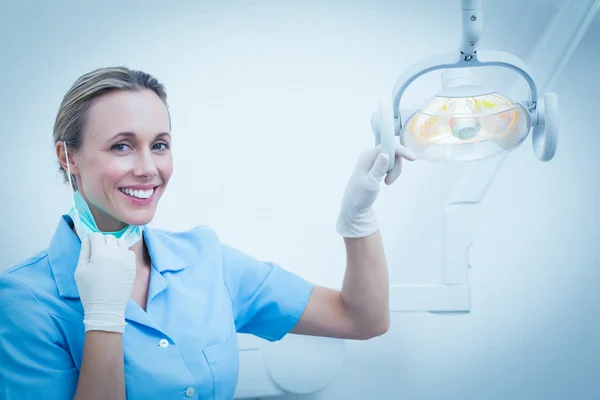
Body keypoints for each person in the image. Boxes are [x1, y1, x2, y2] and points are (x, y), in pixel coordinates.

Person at [0, 66, 416, 400]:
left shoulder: (205, 260)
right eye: (122, 146)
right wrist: (104, 318)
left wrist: (358, 219)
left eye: (159, 144)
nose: (148, 168)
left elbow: (362, 318)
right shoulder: (24, 300)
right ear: (68, 156)